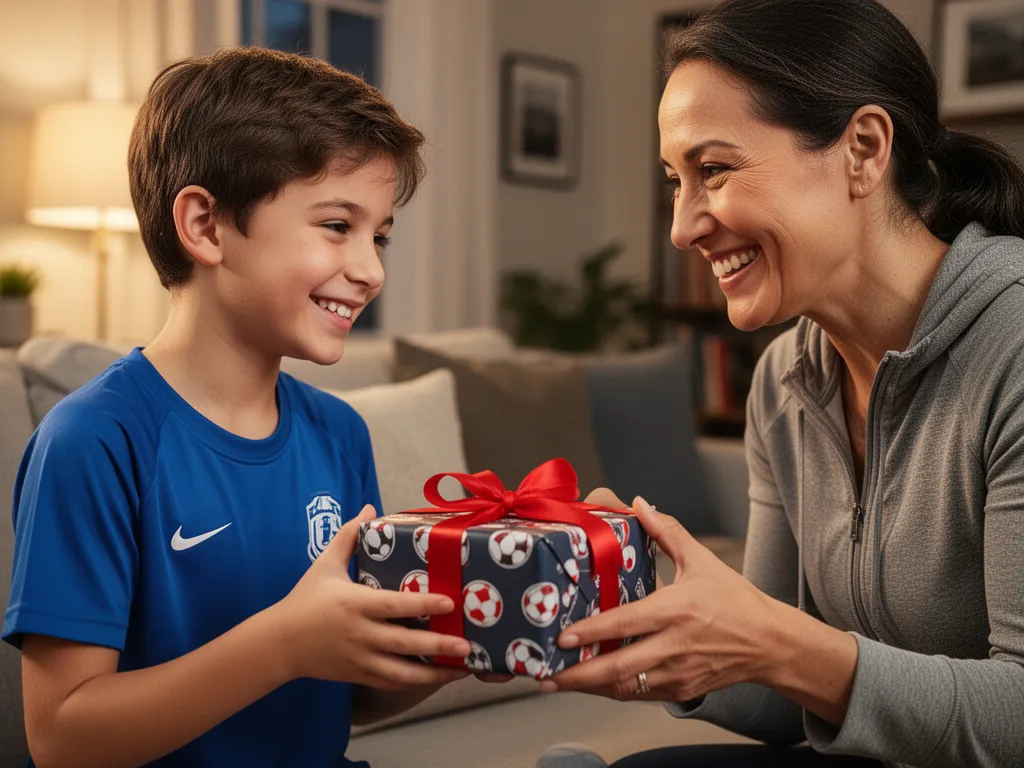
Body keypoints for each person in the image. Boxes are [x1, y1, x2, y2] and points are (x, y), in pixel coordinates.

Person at [538, 1, 1024, 766]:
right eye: (675, 181)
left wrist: (774, 641)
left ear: (863, 150)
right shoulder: (784, 381)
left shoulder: (1013, 348)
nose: (682, 227)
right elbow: (780, 700)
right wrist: (645, 618)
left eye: (713, 170)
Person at [2, 47, 479, 767]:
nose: (371, 269)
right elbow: (63, 738)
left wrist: (461, 647)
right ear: (205, 226)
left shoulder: (340, 433)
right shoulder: (94, 440)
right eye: (337, 226)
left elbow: (347, 693)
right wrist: (283, 643)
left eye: (379, 236)